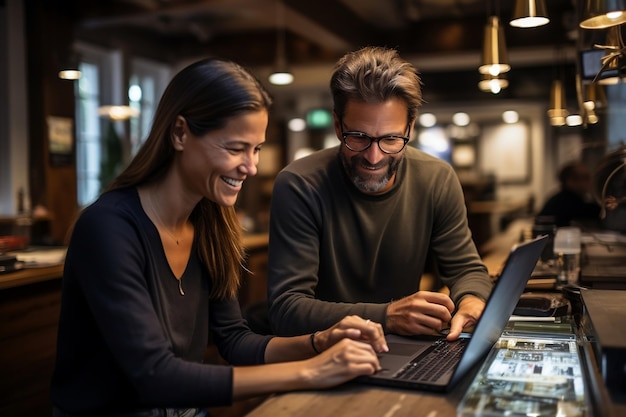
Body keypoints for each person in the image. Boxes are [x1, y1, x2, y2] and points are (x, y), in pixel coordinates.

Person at [50, 57, 388, 417]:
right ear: (180, 133)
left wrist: (318, 341)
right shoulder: (107, 228)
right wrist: (312, 371)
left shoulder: (211, 223)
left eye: (256, 148)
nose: (252, 166)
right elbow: (154, 376)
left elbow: (235, 340)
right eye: (235, 148)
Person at [266, 46, 493, 343]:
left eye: (390, 138)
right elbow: (286, 311)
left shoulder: (437, 178)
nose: (374, 157)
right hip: (322, 354)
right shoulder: (299, 185)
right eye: (358, 137)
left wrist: (472, 300)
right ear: (337, 125)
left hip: (402, 349)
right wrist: (387, 316)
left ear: (410, 127)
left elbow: (466, 268)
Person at [537, 161, 601, 228]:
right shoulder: (565, 201)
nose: (589, 182)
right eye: (585, 178)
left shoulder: (563, 198)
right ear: (568, 180)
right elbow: (593, 211)